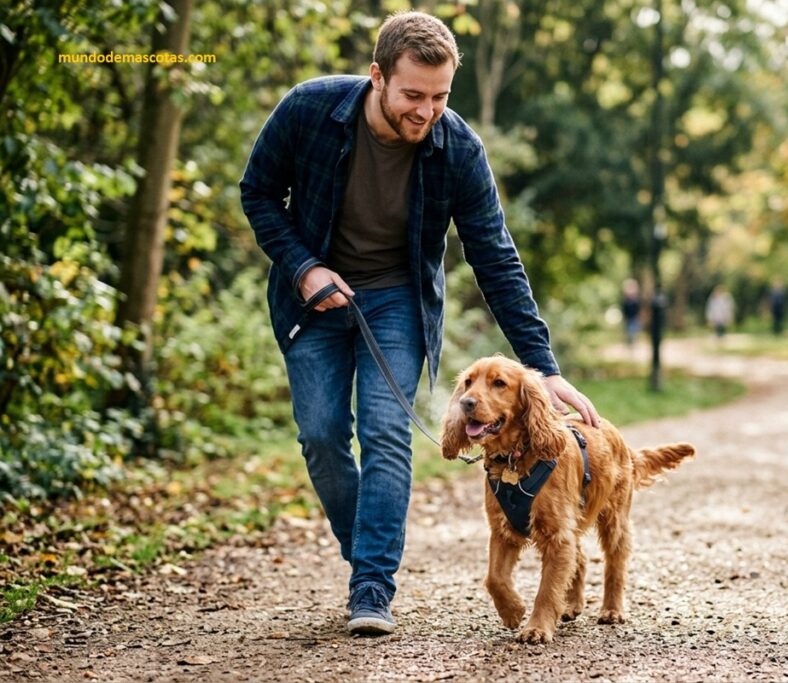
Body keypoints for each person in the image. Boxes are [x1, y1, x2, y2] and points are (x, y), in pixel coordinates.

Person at [239, 11, 600, 637]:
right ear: (376, 77)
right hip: (314, 296)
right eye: (412, 94)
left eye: (440, 96)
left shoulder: (457, 146)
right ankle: (367, 554)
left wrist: (544, 367)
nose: (426, 111)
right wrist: (303, 267)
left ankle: (372, 587)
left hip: (397, 301)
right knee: (321, 436)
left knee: (386, 432)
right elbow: (258, 193)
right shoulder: (310, 110)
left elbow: (494, 255)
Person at [620, 278, 642, 346]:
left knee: (633, 331)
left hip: (634, 318)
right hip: (629, 318)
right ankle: (630, 342)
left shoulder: (635, 301)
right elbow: (624, 309)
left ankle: (632, 342)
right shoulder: (626, 301)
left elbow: (638, 309)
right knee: (629, 331)